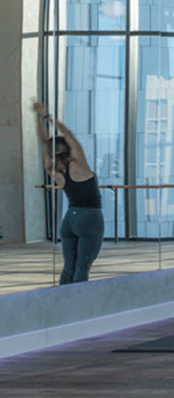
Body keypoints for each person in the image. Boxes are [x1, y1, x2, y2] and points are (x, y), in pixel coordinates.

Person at [33, 101, 102, 285]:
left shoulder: (53, 169)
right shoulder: (78, 164)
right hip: (89, 218)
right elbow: (69, 135)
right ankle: (79, 308)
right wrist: (51, 119)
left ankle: (62, 305)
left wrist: (39, 118)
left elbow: (42, 142)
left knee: (68, 267)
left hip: (69, 220)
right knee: (82, 269)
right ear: (68, 148)